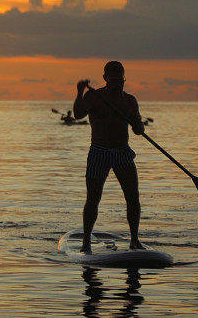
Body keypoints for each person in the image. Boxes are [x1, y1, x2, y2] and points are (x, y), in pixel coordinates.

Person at [73, 61, 145, 253]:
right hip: (99, 152)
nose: (117, 84)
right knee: (93, 198)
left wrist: (137, 125)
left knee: (133, 197)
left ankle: (134, 241)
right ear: (105, 79)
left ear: (124, 80)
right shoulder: (94, 97)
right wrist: (80, 92)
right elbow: (78, 114)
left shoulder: (129, 101)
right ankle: (86, 243)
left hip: (122, 151)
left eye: (120, 80)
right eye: (113, 80)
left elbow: (139, 129)